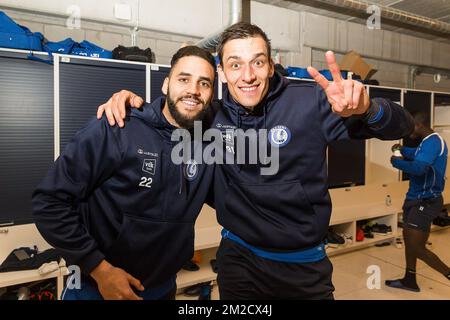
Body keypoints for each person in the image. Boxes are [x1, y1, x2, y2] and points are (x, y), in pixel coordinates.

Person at [97, 22, 414, 299]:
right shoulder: (211, 115)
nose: (247, 76)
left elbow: (403, 126)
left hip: (302, 265)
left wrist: (368, 108)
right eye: (235, 65)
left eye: (257, 63)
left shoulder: (311, 103)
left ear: (271, 66)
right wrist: (128, 102)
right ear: (221, 71)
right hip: (238, 260)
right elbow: (167, 115)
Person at [31, 46, 217, 300]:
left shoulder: (208, 144)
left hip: (162, 288)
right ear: (166, 85)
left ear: (211, 93)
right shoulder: (117, 126)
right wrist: (99, 269)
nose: (193, 90)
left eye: (204, 83)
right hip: (96, 287)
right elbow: (48, 202)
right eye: (184, 79)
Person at [386, 112, 450, 292]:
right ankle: (409, 280)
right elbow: (416, 154)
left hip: (426, 201)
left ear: (419, 125)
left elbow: (419, 168)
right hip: (416, 198)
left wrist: (396, 162)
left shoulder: (433, 142)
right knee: (409, 239)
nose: (407, 131)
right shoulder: (427, 142)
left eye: (409, 127)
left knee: (417, 247)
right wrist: (403, 150)